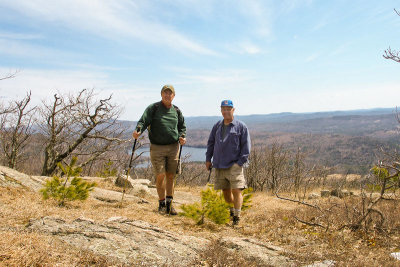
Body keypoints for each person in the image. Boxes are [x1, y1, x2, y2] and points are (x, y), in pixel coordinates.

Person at [133, 85, 186, 215]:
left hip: (173, 147)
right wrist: (138, 130)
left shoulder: (177, 111)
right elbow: (143, 121)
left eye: (170, 93)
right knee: (160, 175)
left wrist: (182, 136)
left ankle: (169, 204)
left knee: (170, 175)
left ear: (174, 96)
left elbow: (182, 127)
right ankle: (161, 203)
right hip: (157, 147)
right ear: (161, 94)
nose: (167, 95)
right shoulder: (154, 108)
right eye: (165, 93)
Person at [205, 100, 251, 225]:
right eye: (223, 109)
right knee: (226, 193)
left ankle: (237, 216)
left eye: (228, 109)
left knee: (237, 190)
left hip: (234, 165)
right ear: (221, 110)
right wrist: (208, 159)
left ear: (233, 110)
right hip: (219, 165)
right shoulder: (217, 126)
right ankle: (231, 212)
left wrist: (239, 163)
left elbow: (246, 147)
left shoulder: (241, 126)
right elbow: (211, 143)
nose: (225, 111)